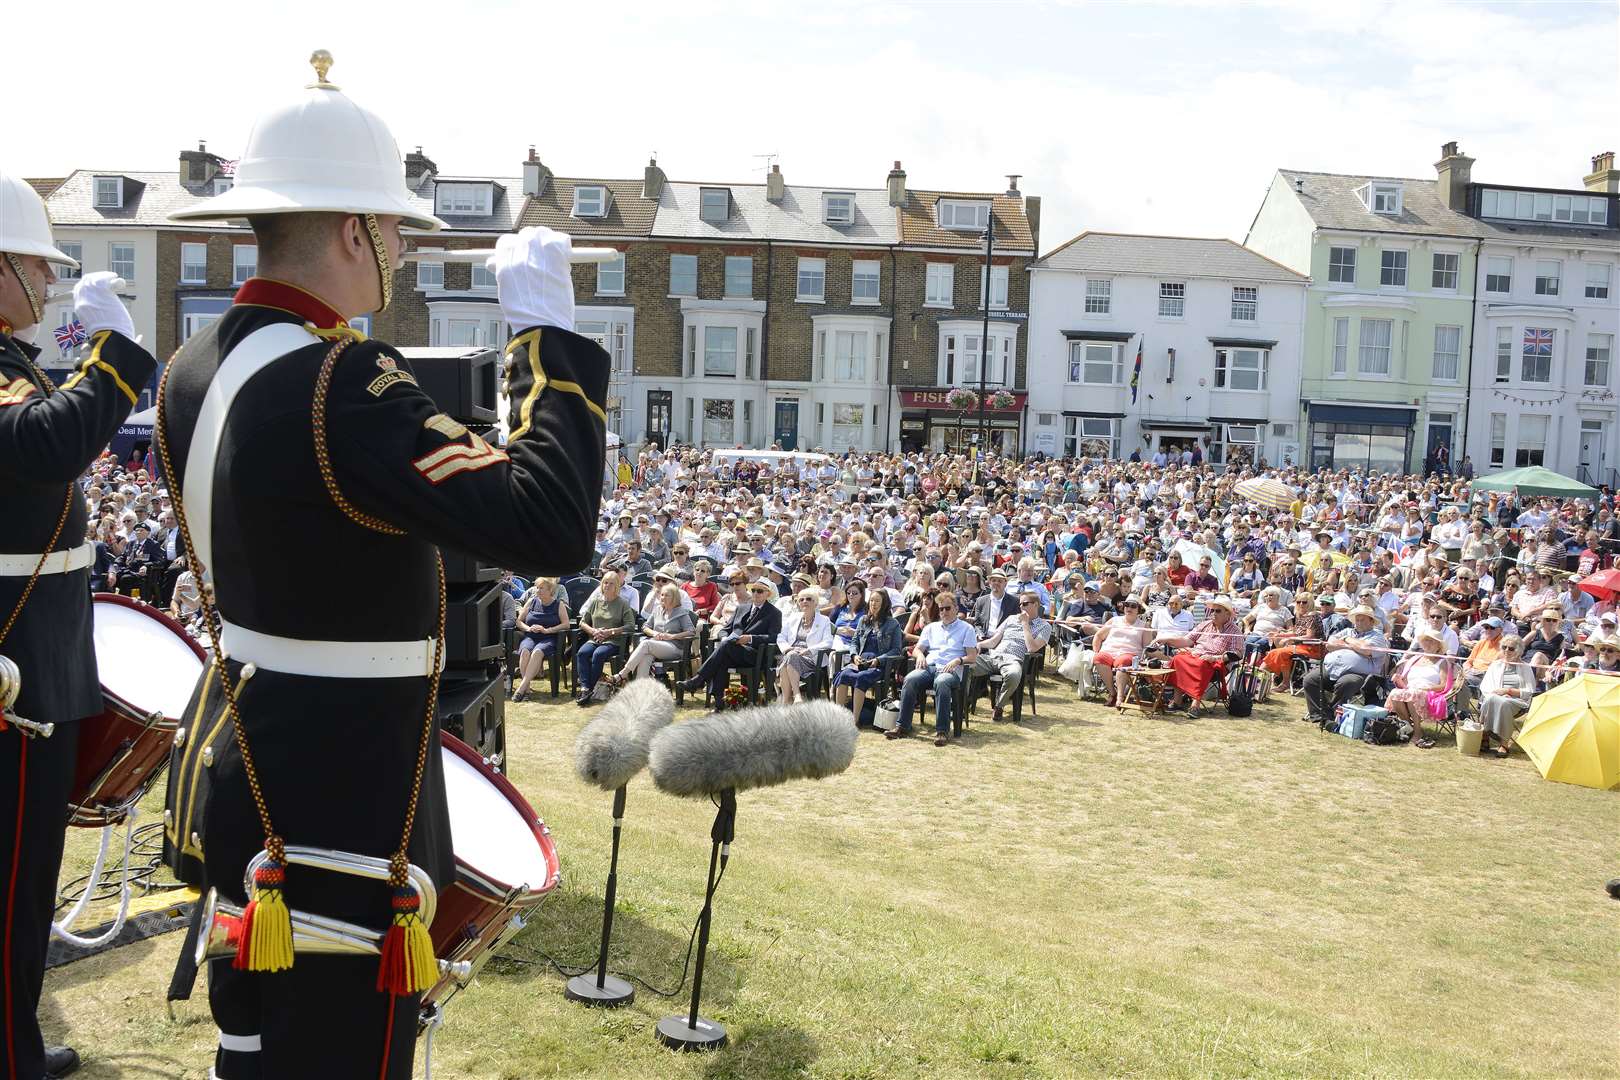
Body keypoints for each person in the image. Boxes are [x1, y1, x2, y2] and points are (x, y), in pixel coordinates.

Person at [156, 60, 607, 1080]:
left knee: (262, 1043)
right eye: (395, 228)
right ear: (355, 230)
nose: (401, 248)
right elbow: (550, 523)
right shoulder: (342, 382)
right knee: (342, 1054)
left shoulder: (196, 362)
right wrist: (551, 343)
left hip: (248, 741)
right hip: (342, 784)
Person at [1, 168, 157, 1080]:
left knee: (25, 887)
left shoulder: (11, 359)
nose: (50, 283)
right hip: (12, 674)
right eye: (34, 263)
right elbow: (50, 440)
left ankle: (14, 1037)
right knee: (13, 885)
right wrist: (117, 357)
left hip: (37, 658)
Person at [889, 590, 978, 747]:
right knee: (909, 679)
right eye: (941, 608)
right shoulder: (931, 628)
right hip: (930, 666)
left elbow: (972, 656)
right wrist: (920, 655)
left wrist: (958, 660)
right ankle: (902, 726)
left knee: (942, 683)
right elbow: (917, 649)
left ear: (956, 608)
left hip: (950, 670)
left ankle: (942, 731)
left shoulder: (966, 629)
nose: (944, 612)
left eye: (948, 608)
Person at [681, 580, 783, 700]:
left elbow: (774, 637)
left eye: (760, 591)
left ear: (768, 594)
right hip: (732, 649)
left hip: (755, 654)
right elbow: (725, 630)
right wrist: (725, 638)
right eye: (753, 590)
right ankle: (719, 703)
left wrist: (750, 639)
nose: (756, 593)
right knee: (722, 659)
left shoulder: (774, 613)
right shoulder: (741, 608)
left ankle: (698, 680)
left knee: (724, 649)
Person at [968, 592, 1052, 721]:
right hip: (994, 656)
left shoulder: (1045, 626)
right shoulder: (1011, 618)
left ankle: (999, 706)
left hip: (1013, 660)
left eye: (1025, 604)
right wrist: (979, 644)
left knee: (1013, 675)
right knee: (964, 666)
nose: (1021, 607)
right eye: (1020, 604)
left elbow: (1032, 648)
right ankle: (962, 705)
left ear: (1035, 605)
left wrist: (1025, 624)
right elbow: (994, 641)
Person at [1302, 606, 1388, 727]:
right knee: (1310, 680)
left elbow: (1366, 649)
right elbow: (1330, 645)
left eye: (1362, 620)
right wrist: (1354, 646)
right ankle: (1320, 716)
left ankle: (1333, 715)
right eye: (1357, 620)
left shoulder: (1378, 637)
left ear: (1371, 621)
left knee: (1346, 683)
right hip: (1332, 669)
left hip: (1359, 675)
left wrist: (1347, 640)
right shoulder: (1347, 630)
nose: (1358, 622)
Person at [832, 590, 904, 722]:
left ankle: (855, 720)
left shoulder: (893, 624)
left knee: (861, 677)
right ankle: (838, 719)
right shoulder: (864, 620)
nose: (873, 604)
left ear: (884, 604)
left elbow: (896, 650)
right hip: (861, 661)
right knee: (843, 675)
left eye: (877, 601)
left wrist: (879, 659)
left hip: (878, 665)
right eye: (871, 600)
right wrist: (854, 655)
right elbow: (854, 642)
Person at [1168, 595, 1246, 716]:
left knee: (1202, 664)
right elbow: (1186, 641)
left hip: (1216, 663)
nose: (1213, 613)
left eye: (1218, 611)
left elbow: (1238, 654)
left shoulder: (1235, 631)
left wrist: (1215, 658)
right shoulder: (1204, 625)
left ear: (1227, 614)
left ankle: (1195, 704)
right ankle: (1177, 701)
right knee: (1178, 659)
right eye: (1212, 610)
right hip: (1196, 656)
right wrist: (1166, 639)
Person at [609, 583, 697, 688]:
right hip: (657, 645)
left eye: (666, 595)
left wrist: (672, 636)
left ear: (674, 598)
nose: (662, 597)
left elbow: (691, 631)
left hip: (675, 648)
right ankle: (640, 691)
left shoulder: (681, 612)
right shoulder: (657, 610)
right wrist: (654, 633)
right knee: (646, 656)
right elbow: (645, 627)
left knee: (646, 644)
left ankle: (622, 674)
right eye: (662, 594)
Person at [1383, 627, 1452, 749]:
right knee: (1394, 693)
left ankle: (1418, 731)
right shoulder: (1415, 659)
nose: (1427, 643)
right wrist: (1399, 680)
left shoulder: (1442, 662)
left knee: (1414, 694)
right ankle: (1410, 727)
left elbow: (1443, 685)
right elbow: (1405, 684)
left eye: (1431, 641)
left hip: (1429, 693)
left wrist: (1426, 689)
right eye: (1426, 640)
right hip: (1410, 690)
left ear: (1439, 646)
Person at [575, 571, 638, 703]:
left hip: (613, 641)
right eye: (605, 583)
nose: (607, 586)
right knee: (582, 653)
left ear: (617, 586)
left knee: (598, 654)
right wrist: (593, 631)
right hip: (595, 638)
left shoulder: (623, 604)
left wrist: (611, 632)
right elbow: (582, 622)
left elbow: (630, 626)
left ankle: (589, 689)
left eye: (611, 583)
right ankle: (585, 688)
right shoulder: (595, 602)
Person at [1090, 596, 1156, 708]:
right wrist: (1096, 651)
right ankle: (1112, 693)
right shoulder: (1114, 620)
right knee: (1099, 658)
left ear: (1139, 609)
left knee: (1124, 661)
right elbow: (1098, 636)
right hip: (1109, 651)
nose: (1129, 608)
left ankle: (1120, 697)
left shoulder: (1144, 626)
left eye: (1133, 606)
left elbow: (1147, 647)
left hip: (1129, 653)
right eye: (1127, 605)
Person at [1478, 635, 1537, 758]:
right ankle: (1489, 738)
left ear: (1519, 651)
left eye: (1511, 648)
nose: (1506, 651)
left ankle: (1499, 742)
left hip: (1517, 701)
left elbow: (1529, 691)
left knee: (1502, 702)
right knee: (1492, 699)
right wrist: (1498, 693)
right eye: (1504, 647)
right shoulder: (1496, 665)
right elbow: (1485, 687)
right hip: (1494, 698)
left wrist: (1508, 691)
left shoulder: (1526, 668)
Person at [512, 578, 568, 702]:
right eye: (537, 587)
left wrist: (547, 630)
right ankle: (526, 690)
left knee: (537, 652)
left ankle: (521, 688)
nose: (538, 590)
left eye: (541, 588)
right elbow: (519, 621)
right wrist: (528, 628)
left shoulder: (559, 605)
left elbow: (566, 624)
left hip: (548, 638)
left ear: (550, 590)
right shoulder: (531, 601)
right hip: (531, 636)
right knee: (525, 651)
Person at [775, 587, 833, 703]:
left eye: (808, 599)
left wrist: (809, 650)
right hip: (791, 653)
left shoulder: (824, 620)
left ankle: (790, 698)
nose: (804, 601)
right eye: (801, 600)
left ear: (815, 603)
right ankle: (793, 697)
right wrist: (786, 648)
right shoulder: (793, 618)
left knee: (786, 661)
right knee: (790, 656)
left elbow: (828, 642)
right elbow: (780, 637)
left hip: (811, 658)